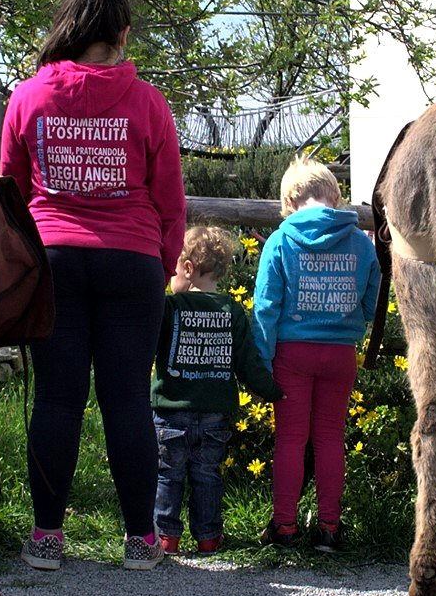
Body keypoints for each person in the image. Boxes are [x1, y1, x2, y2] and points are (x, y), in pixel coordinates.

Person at [0, 0, 185, 572]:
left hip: (54, 258)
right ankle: (139, 542)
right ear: (122, 35)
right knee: (127, 398)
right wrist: (161, 265)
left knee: (57, 397)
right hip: (130, 259)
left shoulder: (27, 98)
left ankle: (47, 539)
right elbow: (170, 201)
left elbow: (11, 193)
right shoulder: (149, 102)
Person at [250, 156, 380, 552]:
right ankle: (329, 527)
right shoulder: (360, 241)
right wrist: (352, 317)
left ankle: (285, 526)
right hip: (339, 352)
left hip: (292, 353)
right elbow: (374, 299)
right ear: (336, 197)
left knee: (290, 439)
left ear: (289, 202)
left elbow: (266, 308)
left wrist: (262, 360)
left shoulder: (281, 240)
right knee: (330, 438)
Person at [151, 226, 280, 554]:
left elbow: (145, 347)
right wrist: (270, 390)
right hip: (215, 414)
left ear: (189, 269)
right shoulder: (232, 311)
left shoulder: (170, 308)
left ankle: (166, 536)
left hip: (171, 411)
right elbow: (247, 362)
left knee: (168, 475)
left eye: (176, 268)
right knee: (207, 475)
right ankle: (208, 537)